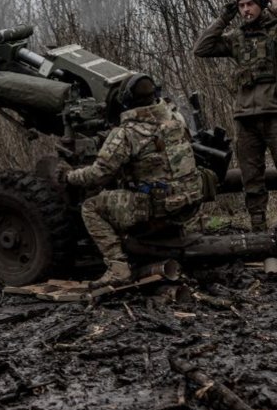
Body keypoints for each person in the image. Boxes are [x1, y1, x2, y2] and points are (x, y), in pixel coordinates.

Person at [61, 74, 204, 288]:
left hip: (157, 209)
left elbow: (98, 175)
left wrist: (69, 177)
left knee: (91, 207)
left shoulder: (127, 134)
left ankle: (118, 268)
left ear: (126, 102)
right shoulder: (177, 120)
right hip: (189, 204)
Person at [193, 0, 277, 231]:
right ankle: (258, 228)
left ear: (261, 5)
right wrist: (224, 18)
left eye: (250, 4)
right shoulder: (236, 38)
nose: (246, 10)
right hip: (245, 116)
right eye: (241, 6)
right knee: (251, 178)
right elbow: (201, 48)